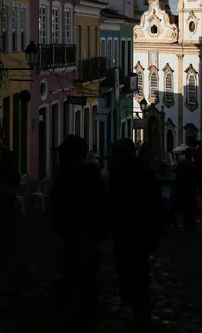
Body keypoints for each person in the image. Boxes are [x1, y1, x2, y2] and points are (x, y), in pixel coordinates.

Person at [49, 135, 107, 328]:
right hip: (83, 231)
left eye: (63, 154)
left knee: (76, 272)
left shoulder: (67, 174)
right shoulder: (90, 172)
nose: (59, 158)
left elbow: (55, 201)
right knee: (84, 274)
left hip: (77, 231)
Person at [107, 139, 164, 331]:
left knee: (130, 275)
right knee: (138, 275)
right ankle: (140, 312)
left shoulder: (122, 175)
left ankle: (139, 314)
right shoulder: (144, 173)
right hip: (138, 235)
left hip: (129, 235)